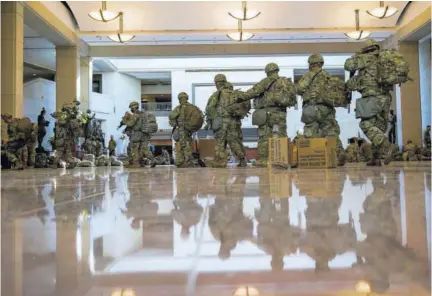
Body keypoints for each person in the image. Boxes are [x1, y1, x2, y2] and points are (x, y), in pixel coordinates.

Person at [345, 39, 396, 166]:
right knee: (377, 128)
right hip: (385, 97)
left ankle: (387, 146)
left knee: (366, 125)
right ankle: (376, 158)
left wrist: (356, 56)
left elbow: (348, 66)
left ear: (366, 49)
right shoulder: (383, 58)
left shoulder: (366, 58)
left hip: (371, 98)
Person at [297, 53, 346, 166]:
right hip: (327, 108)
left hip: (312, 108)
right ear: (321, 63)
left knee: (310, 133)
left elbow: (300, 89)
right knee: (330, 132)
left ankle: (314, 157)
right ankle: (339, 151)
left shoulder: (309, 75)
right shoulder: (329, 76)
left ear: (310, 64)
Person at [248, 63, 296, 167]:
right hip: (280, 114)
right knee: (279, 134)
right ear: (277, 70)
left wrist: (240, 97)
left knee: (264, 136)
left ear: (268, 72)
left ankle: (264, 159)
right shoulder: (285, 82)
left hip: (266, 114)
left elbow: (252, 92)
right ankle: (282, 159)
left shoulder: (266, 81)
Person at [205, 74, 249, 168]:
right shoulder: (236, 94)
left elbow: (209, 109)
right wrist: (239, 115)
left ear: (217, 83)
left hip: (221, 122)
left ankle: (220, 161)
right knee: (234, 141)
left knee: (220, 142)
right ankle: (242, 159)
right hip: (233, 122)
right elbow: (247, 104)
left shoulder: (217, 94)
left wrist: (211, 120)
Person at [120, 101, 157, 168]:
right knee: (143, 149)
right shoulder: (142, 114)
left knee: (133, 148)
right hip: (143, 134)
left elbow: (130, 123)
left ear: (134, 107)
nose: (131, 109)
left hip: (136, 134)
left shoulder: (136, 114)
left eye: (131, 107)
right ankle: (151, 160)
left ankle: (136, 163)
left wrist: (125, 118)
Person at [169, 92, 200, 167]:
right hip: (188, 130)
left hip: (182, 130)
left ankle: (185, 160)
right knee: (186, 144)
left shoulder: (178, 108)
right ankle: (185, 160)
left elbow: (171, 118)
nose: (181, 100)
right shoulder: (193, 107)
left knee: (183, 145)